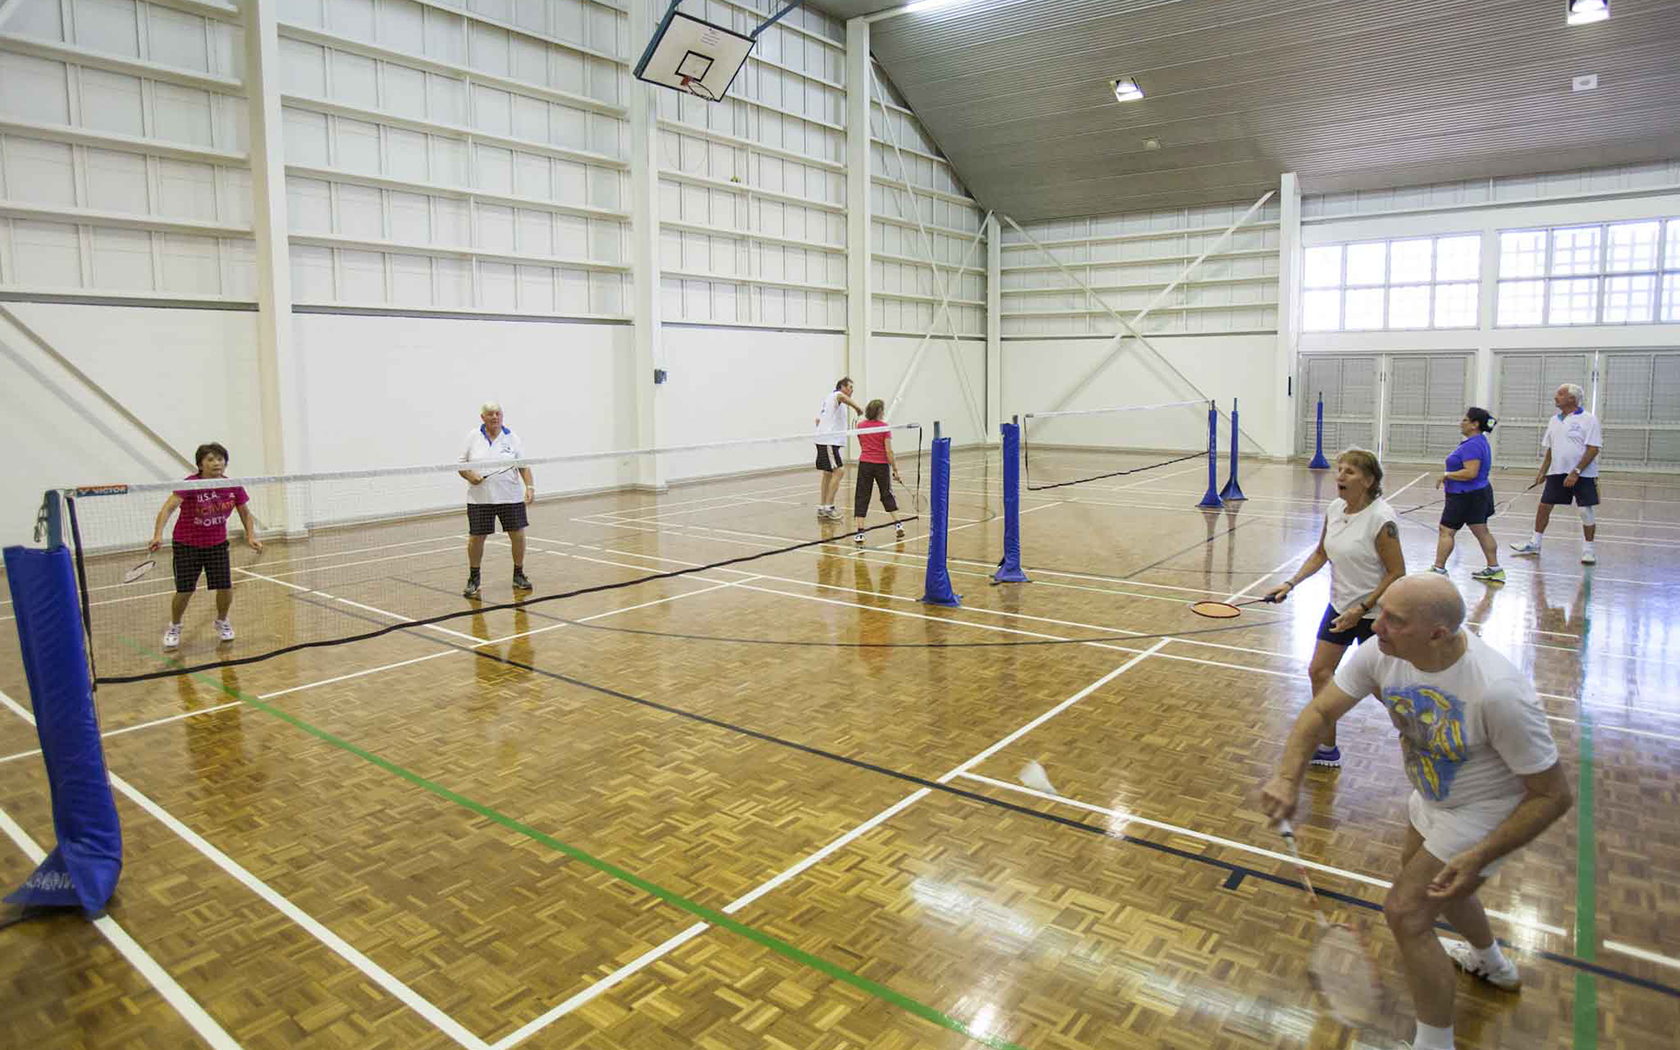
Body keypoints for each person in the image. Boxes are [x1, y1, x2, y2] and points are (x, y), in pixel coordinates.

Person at [1260, 574, 1572, 1050]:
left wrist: (1482, 853)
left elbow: (1553, 795)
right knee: (1436, 887)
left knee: (1406, 913)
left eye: (1394, 620)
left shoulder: (1498, 692)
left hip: (1485, 810)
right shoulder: (1382, 652)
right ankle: (1492, 963)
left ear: (1437, 634)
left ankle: (1434, 1043)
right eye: (1380, 611)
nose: (1377, 625)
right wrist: (1287, 776)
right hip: (1432, 795)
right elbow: (1321, 713)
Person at [1266, 448, 1405, 769]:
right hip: (1340, 606)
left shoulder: (1381, 519)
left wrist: (1363, 607)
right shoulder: (1334, 509)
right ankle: (1327, 748)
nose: (1340, 476)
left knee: (1382, 687)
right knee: (1319, 671)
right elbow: (1320, 553)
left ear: (1369, 481)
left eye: (1350, 472)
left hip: (1375, 614)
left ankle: (1424, 737)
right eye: (1339, 469)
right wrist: (1290, 584)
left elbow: (1397, 572)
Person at [149, 442, 263, 650]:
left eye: (220, 459)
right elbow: (167, 509)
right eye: (210, 459)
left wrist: (251, 536)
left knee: (225, 587)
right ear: (200, 464)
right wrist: (158, 535)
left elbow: (245, 513)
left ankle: (222, 621)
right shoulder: (190, 484)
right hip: (187, 544)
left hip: (216, 544)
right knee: (184, 590)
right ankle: (175, 626)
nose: (216, 463)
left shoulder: (232, 485)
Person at [1510, 383, 1602, 565]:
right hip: (1557, 472)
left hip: (1582, 474)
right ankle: (1535, 543)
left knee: (1585, 511)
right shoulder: (1554, 420)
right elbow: (1551, 449)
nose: (1555, 397)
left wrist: (1576, 472)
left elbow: (1593, 449)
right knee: (1544, 506)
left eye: (1560, 394)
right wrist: (1543, 471)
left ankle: (1588, 550)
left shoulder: (1588, 419)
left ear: (1572, 399)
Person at [458, 402, 534, 599]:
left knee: (517, 535)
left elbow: (523, 466)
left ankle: (518, 574)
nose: (495, 417)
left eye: (498, 413)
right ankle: (474, 578)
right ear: (483, 417)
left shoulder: (512, 437)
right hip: (480, 499)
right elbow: (460, 465)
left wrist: (530, 487)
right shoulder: (473, 436)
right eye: (490, 414)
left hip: (510, 496)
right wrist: (469, 475)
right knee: (476, 538)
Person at [1431, 407, 1503, 583]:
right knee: (1482, 531)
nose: (1461, 423)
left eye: (1465, 420)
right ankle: (1495, 568)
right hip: (1476, 494)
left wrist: (1447, 476)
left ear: (1474, 424)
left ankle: (1438, 569)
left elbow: (1471, 472)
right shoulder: (1478, 442)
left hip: (1465, 496)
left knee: (1446, 531)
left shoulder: (1472, 445)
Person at [852, 399, 907, 546]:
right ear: (879, 411)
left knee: (862, 496)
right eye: (882, 409)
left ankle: (860, 533)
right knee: (886, 494)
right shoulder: (884, 427)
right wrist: (895, 469)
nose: (884, 412)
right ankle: (898, 525)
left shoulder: (860, 426)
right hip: (881, 465)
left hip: (865, 464)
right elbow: (889, 451)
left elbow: (862, 444)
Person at [814, 377, 863, 521]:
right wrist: (858, 408)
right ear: (842, 387)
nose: (851, 391)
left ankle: (823, 507)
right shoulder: (836, 396)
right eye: (850, 387)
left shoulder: (831, 400)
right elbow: (842, 396)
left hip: (825, 440)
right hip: (828, 440)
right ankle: (829, 507)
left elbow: (821, 419)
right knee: (839, 471)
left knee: (828, 473)